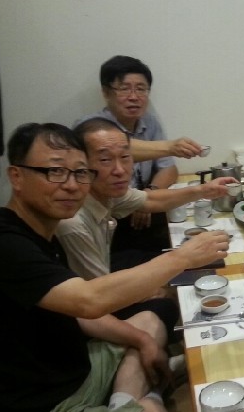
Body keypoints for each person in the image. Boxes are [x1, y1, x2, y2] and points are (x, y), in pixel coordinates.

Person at [0, 123, 231, 412]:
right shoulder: (3, 245)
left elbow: (78, 313)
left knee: (149, 323)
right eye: (55, 171)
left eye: (79, 173)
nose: (71, 185)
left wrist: (142, 341)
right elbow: (88, 300)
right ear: (16, 177)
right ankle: (137, 405)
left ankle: (124, 406)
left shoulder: (43, 230)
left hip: (74, 369)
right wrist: (183, 257)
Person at [56, 118, 236, 335]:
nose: (120, 170)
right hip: (85, 315)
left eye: (125, 157)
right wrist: (163, 282)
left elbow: (150, 200)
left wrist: (204, 190)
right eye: (105, 160)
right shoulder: (73, 222)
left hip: (103, 281)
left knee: (179, 280)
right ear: (80, 166)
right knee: (170, 303)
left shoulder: (104, 192)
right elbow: (98, 297)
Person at [75, 55, 201, 268]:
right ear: (106, 92)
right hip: (112, 218)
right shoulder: (90, 128)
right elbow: (124, 148)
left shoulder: (149, 121)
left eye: (141, 89)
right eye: (124, 89)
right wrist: (170, 146)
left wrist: (147, 195)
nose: (134, 97)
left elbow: (168, 168)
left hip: (142, 205)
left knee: (191, 240)